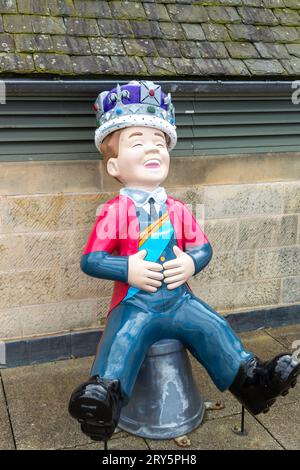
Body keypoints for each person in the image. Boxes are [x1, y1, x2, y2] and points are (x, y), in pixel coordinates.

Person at [68, 80, 300, 442]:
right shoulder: (114, 212)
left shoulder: (176, 210)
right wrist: (127, 268)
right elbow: (91, 259)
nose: (152, 150)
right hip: (135, 304)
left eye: (160, 143)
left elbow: (203, 247)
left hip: (179, 300)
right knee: (122, 339)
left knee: (212, 327)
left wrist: (192, 263)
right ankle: (107, 396)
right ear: (114, 165)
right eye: (138, 142)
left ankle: (251, 382)